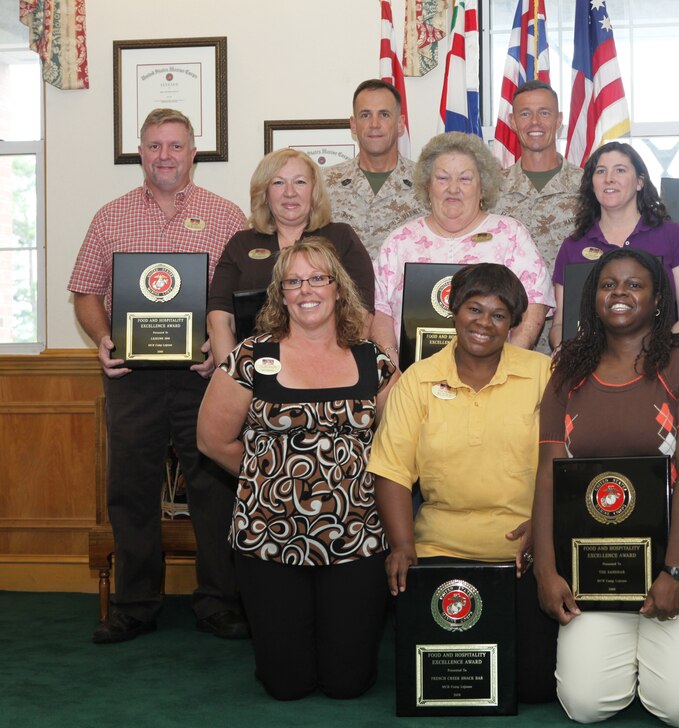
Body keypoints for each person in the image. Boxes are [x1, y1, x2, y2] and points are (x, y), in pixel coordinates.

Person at [69, 108, 247, 644]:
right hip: (132, 377)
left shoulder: (227, 216)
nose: (164, 156)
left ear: (194, 152)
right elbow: (84, 291)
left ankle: (219, 601)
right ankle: (136, 603)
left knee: (215, 488)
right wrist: (103, 339)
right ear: (140, 152)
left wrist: (218, 350)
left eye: (174, 145)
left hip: (204, 377)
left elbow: (239, 299)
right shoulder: (110, 216)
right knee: (131, 488)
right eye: (153, 146)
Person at [533, 248, 679, 727]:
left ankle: (664, 645)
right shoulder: (568, 371)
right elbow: (548, 474)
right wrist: (546, 569)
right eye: (607, 284)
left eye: (634, 284)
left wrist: (676, 571)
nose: (619, 293)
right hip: (595, 553)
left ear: (658, 298)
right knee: (586, 704)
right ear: (592, 297)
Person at [196, 238, 394, 700]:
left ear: (338, 289)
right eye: (294, 281)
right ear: (281, 294)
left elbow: (400, 445)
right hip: (269, 538)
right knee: (286, 686)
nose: (307, 290)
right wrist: (268, 477)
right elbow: (212, 439)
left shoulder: (374, 360)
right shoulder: (250, 358)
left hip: (356, 539)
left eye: (318, 279)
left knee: (348, 684)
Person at [369, 263, 557, 704]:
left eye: (498, 315)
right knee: (444, 684)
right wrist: (401, 546)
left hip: (524, 552)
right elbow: (392, 470)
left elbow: (562, 461)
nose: (484, 323)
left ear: (513, 323)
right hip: (440, 549)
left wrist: (542, 528)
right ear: (454, 310)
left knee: (534, 687)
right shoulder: (417, 379)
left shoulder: (542, 374)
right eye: (475, 309)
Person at [371, 132, 553, 357]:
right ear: (428, 186)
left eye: (465, 179)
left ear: (483, 187)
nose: (453, 188)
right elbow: (380, 309)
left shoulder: (510, 235)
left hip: (493, 380)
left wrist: (509, 364)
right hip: (413, 381)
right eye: (442, 178)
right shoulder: (400, 241)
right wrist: (392, 364)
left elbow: (535, 303)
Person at [208, 148, 375, 364]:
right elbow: (218, 320)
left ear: (314, 191)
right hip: (257, 369)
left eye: (300, 182)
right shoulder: (241, 244)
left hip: (330, 368)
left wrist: (339, 368)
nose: (289, 192)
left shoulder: (341, 238)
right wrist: (234, 376)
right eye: (278, 183)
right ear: (264, 193)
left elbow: (362, 314)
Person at [550, 142, 679, 349]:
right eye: (601, 171)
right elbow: (560, 323)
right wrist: (566, 351)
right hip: (591, 365)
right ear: (591, 183)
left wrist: (655, 351)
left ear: (640, 182)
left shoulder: (671, 235)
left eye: (620, 170)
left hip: (658, 360)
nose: (609, 178)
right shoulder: (573, 245)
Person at [492, 80, 582, 351]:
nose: (535, 122)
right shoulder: (492, 189)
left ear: (559, 120)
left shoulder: (588, 187)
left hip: (572, 326)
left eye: (544, 113)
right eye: (525, 113)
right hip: (508, 327)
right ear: (512, 120)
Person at [324, 79, 418, 260]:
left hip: (402, 288)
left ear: (400, 124)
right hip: (342, 288)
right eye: (365, 115)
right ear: (353, 124)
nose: (374, 124)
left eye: (384, 114)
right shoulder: (323, 183)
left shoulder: (427, 183)